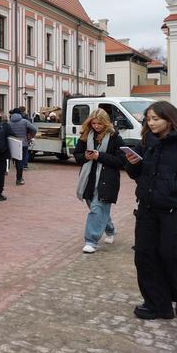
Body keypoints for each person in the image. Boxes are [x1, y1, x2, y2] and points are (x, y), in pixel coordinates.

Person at [125, 101, 177, 320]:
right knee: (145, 256)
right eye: (148, 119)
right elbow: (136, 174)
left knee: (170, 256)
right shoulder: (146, 141)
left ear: (169, 119)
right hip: (146, 209)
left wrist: (172, 188)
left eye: (156, 118)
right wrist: (132, 163)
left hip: (173, 210)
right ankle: (158, 304)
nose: (151, 122)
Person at [73, 109, 125, 254]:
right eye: (94, 123)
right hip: (88, 179)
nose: (96, 126)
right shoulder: (85, 136)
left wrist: (99, 156)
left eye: (99, 123)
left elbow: (121, 161)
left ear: (106, 123)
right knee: (97, 209)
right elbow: (77, 156)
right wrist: (86, 157)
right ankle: (111, 230)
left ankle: (91, 241)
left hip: (107, 180)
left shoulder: (115, 137)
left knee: (97, 209)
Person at [8, 108, 37, 185]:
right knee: (20, 161)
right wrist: (31, 136)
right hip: (23, 143)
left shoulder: (8, 123)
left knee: (16, 160)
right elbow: (34, 129)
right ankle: (19, 179)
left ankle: (17, 173)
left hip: (13, 144)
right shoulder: (24, 121)